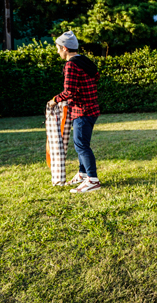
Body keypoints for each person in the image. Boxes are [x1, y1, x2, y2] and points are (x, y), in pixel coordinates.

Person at [48, 31, 102, 194]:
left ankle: (92, 180)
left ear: (64, 48)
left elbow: (69, 91)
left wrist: (54, 100)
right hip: (91, 108)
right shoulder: (85, 61)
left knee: (81, 145)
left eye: (58, 48)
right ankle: (83, 173)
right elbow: (96, 77)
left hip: (82, 111)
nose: (57, 51)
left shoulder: (71, 65)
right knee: (81, 143)